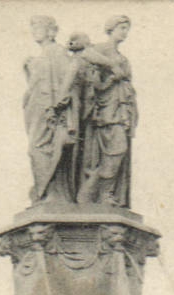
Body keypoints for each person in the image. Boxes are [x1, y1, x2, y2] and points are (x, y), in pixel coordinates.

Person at [76, 15, 137, 207]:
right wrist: (111, 66)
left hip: (121, 109)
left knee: (118, 151)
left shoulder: (123, 58)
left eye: (127, 29)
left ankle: (106, 193)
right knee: (116, 149)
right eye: (122, 28)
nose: (125, 32)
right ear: (111, 29)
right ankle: (101, 193)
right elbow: (85, 55)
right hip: (106, 111)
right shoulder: (102, 49)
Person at [22, 15, 81, 203]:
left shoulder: (57, 51)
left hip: (51, 112)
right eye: (33, 28)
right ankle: (44, 192)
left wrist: (59, 103)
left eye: (39, 27)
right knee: (36, 148)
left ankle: (51, 192)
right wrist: (29, 68)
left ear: (51, 31)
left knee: (41, 148)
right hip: (36, 110)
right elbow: (36, 85)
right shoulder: (40, 55)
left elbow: (70, 76)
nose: (34, 32)